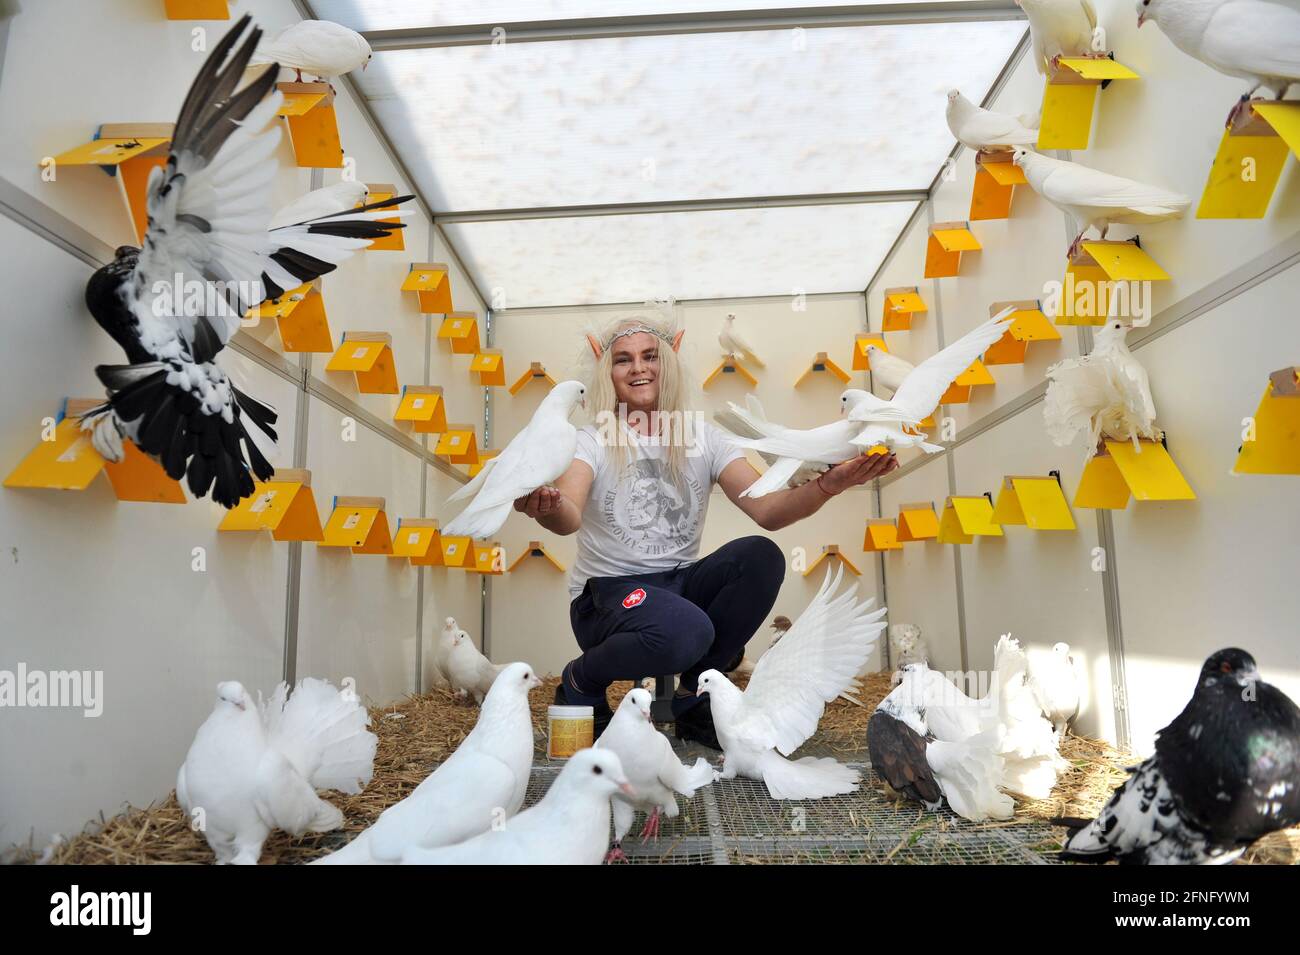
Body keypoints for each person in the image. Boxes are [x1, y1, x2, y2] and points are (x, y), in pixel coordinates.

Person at [513, 313, 898, 748]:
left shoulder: (704, 437)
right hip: (605, 598)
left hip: (675, 587)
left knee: (761, 557)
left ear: (669, 363)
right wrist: (546, 508)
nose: (638, 368)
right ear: (608, 372)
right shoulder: (591, 439)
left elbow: (769, 511)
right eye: (623, 360)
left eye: (649, 356)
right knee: (687, 630)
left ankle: (692, 698)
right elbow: (569, 516)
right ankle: (580, 679)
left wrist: (829, 484)